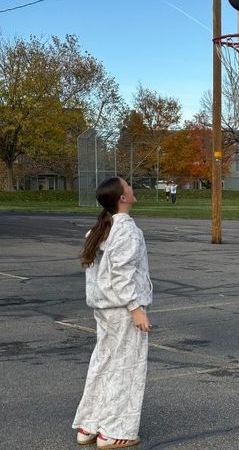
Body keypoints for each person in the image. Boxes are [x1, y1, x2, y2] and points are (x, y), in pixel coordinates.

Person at [73, 176, 152, 449]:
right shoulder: (127, 231)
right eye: (128, 185)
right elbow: (120, 274)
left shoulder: (100, 229)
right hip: (121, 309)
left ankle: (89, 425)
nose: (131, 187)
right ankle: (115, 431)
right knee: (126, 367)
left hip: (104, 308)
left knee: (104, 362)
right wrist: (136, 309)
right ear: (122, 197)